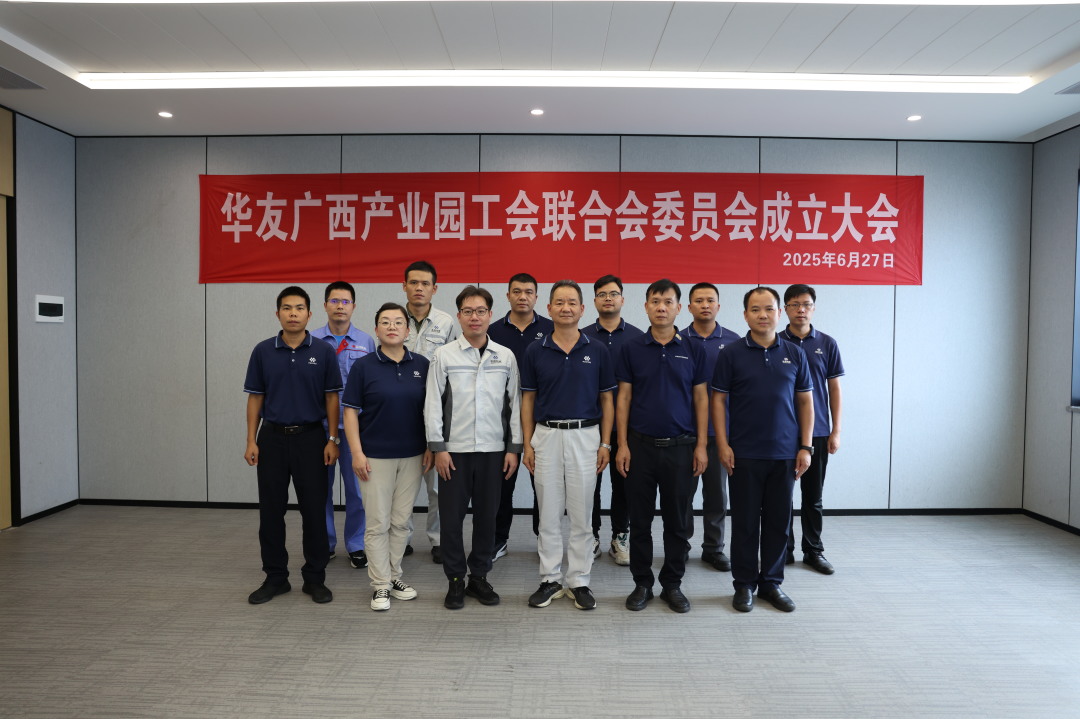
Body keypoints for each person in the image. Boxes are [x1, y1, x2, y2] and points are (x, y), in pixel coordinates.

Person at [711, 286, 813, 614]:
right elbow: (718, 400)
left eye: (769, 308)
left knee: (778, 522)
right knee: (744, 523)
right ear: (745, 315)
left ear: (779, 313)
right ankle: (744, 584)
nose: (762, 315)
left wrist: (806, 446)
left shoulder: (795, 353)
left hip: (784, 454)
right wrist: (723, 444)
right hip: (743, 453)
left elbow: (805, 402)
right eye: (755, 309)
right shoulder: (731, 354)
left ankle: (771, 583)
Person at [243, 286, 342, 605]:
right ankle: (275, 577)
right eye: (287, 308)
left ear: (310, 314)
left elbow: (332, 397)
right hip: (271, 439)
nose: (293, 313)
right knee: (271, 511)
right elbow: (255, 397)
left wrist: (332, 439)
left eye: (299, 308)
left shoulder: (324, 351)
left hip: (312, 439)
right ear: (278, 314)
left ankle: (315, 578)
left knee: (314, 510)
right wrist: (251, 440)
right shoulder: (263, 351)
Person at [425, 286, 522, 609]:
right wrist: (438, 447)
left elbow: (515, 404)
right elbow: (432, 404)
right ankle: (455, 580)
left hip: (494, 451)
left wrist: (514, 448)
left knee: (486, 517)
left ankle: (479, 576)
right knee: (451, 519)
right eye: (467, 311)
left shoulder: (505, 356)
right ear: (459, 316)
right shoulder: (444, 355)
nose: (474, 317)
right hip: (454, 452)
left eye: (481, 311)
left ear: (490, 315)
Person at [615, 279, 709, 614]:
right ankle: (642, 583)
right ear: (646, 307)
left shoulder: (694, 348)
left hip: (682, 448)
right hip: (639, 447)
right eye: (655, 301)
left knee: (677, 522)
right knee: (639, 521)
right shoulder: (632, 348)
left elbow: (701, 399)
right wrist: (622, 444)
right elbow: (623, 398)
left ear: (678, 308)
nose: (661, 307)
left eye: (668, 302)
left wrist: (701, 445)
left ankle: (672, 584)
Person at [521, 280, 615, 610]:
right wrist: (527, 444)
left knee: (581, 514)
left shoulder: (597, 350)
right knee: (547, 513)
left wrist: (606, 443)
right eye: (559, 302)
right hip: (546, 436)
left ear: (582, 309)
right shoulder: (535, 350)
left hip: (586, 436)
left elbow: (607, 400)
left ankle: (579, 581)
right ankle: (549, 579)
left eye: (572, 302)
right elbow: (528, 400)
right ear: (548, 309)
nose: (565, 308)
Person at [342, 302, 432, 611]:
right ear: (376, 329)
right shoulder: (363, 366)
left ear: (408, 331)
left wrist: (430, 447)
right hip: (374, 457)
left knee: (401, 522)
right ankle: (380, 584)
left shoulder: (422, 364)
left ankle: (394, 576)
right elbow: (350, 412)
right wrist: (356, 452)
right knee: (377, 523)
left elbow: (430, 411)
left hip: (413, 456)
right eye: (385, 322)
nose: (392, 327)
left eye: (398, 322)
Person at [487, 272, 554, 561]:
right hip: (502, 419)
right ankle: (499, 539)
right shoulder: (492, 331)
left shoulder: (551, 328)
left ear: (537, 297)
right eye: (517, 291)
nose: (522, 296)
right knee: (503, 483)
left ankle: (544, 538)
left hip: (543, 416)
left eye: (528, 292)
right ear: (508, 296)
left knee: (545, 484)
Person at [780, 284, 844, 575]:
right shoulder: (775, 342)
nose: (800, 310)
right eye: (794, 305)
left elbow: (834, 389)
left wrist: (835, 430)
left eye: (806, 304)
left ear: (813, 308)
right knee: (782, 496)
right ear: (785, 309)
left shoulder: (827, 344)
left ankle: (813, 551)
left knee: (813, 497)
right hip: (783, 432)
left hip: (817, 432)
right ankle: (783, 550)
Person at [310, 281, 375, 569]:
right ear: (325, 305)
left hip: (354, 428)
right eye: (334, 301)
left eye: (345, 301)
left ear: (354, 306)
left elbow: (370, 385)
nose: (340, 306)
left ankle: (356, 544)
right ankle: (324, 543)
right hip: (318, 426)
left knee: (358, 490)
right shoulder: (311, 340)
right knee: (319, 489)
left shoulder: (366, 341)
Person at [582, 275, 644, 566]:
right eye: (602, 294)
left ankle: (621, 535)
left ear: (622, 299)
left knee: (624, 483)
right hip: (589, 423)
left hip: (626, 426)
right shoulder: (581, 336)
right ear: (594, 300)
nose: (608, 298)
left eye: (614, 294)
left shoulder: (638, 338)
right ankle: (591, 535)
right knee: (589, 484)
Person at [402, 260, 460, 564]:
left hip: (435, 410)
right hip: (401, 411)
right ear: (404, 286)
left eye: (425, 283)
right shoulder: (394, 318)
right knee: (403, 483)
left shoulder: (446, 322)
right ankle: (402, 538)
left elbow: (452, 368)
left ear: (434, 289)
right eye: (413, 283)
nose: (419, 288)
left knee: (438, 485)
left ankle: (438, 540)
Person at [682, 282, 740, 573]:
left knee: (716, 493)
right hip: (684, 431)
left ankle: (714, 548)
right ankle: (680, 545)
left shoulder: (734, 342)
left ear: (718, 306)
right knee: (682, 493)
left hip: (720, 431)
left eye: (710, 300)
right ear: (688, 306)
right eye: (699, 300)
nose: (705, 305)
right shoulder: (677, 340)